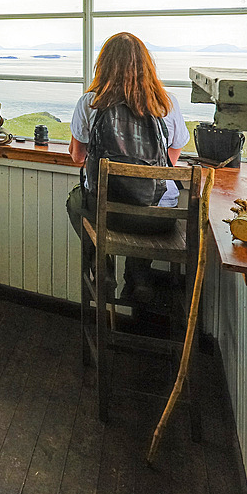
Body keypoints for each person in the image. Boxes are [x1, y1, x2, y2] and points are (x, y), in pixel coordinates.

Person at [65, 32, 189, 303]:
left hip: (107, 213)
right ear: (146, 65)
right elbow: (172, 158)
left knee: (75, 201)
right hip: (159, 219)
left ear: (103, 64)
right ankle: (139, 276)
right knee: (142, 200)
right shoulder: (167, 103)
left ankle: (102, 268)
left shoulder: (91, 102)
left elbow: (77, 157)